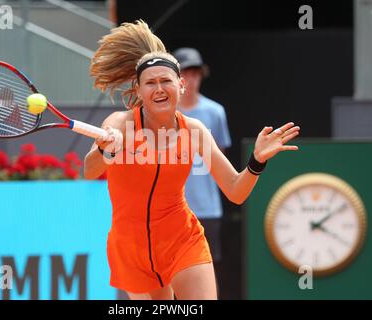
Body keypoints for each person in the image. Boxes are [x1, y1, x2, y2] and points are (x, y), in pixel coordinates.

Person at [84, 20, 300, 300]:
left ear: (181, 85)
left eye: (166, 81)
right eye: (150, 83)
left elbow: (235, 191)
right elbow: (89, 171)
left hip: (181, 240)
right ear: (138, 89)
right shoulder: (119, 123)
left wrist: (257, 160)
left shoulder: (194, 130)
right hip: (131, 248)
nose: (159, 88)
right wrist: (106, 150)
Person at [172, 47, 231, 267]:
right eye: (185, 73)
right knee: (171, 270)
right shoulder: (161, 113)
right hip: (172, 209)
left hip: (207, 209)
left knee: (204, 268)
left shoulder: (215, 112)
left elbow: (219, 161)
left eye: (195, 73)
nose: (190, 79)